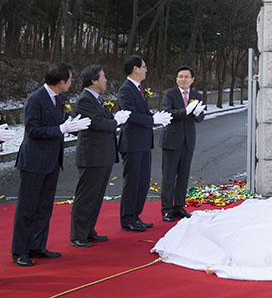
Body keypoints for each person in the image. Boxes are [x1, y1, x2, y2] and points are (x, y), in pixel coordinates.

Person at [11, 63, 90, 266]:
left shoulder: (61, 99)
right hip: (34, 161)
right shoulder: (35, 99)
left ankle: (37, 245)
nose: (71, 83)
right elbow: (32, 130)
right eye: (70, 80)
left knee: (45, 206)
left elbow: (63, 124)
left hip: (53, 160)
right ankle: (20, 250)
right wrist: (60, 128)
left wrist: (73, 127)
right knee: (28, 207)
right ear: (61, 81)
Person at [70, 65, 130, 248]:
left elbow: (103, 119)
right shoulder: (84, 100)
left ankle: (89, 230)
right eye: (103, 77)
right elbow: (96, 123)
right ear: (93, 80)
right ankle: (78, 234)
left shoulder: (97, 99)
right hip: (91, 155)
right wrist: (115, 121)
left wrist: (114, 119)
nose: (106, 80)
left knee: (97, 196)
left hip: (102, 154)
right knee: (86, 195)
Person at [117, 55, 171, 232]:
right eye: (144, 67)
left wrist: (155, 118)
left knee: (142, 181)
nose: (146, 70)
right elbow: (130, 114)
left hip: (144, 142)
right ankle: (127, 218)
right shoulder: (126, 90)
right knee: (132, 181)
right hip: (132, 142)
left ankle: (136, 215)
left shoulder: (139, 88)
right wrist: (151, 119)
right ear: (135, 69)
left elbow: (142, 112)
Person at [160, 66, 206, 221]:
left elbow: (199, 118)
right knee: (169, 176)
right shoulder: (169, 94)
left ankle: (179, 206)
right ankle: (166, 209)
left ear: (192, 79)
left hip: (188, 141)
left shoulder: (196, 95)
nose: (183, 79)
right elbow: (166, 112)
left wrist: (198, 113)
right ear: (176, 79)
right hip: (172, 140)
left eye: (186, 77)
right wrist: (185, 111)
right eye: (180, 76)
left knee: (183, 176)